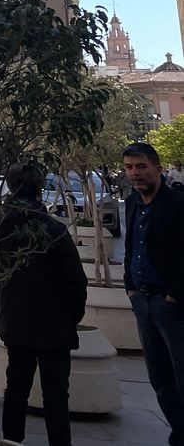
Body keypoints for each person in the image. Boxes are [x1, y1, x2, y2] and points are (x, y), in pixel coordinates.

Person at [0, 162, 86, 446]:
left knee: (16, 390)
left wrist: (3, 311)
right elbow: (75, 282)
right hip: (54, 327)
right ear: (39, 188)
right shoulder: (53, 230)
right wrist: (71, 318)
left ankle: (11, 441)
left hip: (17, 323)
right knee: (56, 395)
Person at [123, 141, 184, 446]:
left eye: (141, 166)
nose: (135, 173)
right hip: (143, 302)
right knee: (159, 378)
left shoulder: (178, 204)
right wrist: (130, 288)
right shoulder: (133, 203)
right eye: (129, 167)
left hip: (170, 305)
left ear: (157, 168)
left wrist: (174, 295)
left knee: (181, 376)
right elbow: (132, 246)